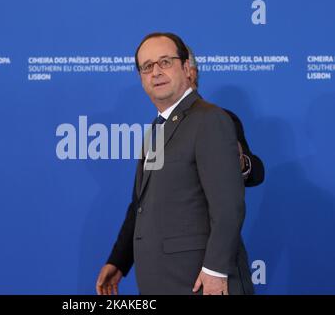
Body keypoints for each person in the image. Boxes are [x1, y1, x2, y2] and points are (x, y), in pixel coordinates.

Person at [96, 32, 254, 295]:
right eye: (147, 67)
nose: (156, 72)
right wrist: (119, 261)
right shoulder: (157, 130)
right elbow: (143, 205)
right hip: (163, 282)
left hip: (202, 283)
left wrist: (215, 271)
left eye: (165, 62)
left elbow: (228, 207)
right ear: (141, 78)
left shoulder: (210, 120)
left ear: (186, 68)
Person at [186, 46, 265, 187]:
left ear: (190, 73)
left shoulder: (219, 118)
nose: (157, 73)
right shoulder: (158, 126)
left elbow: (255, 173)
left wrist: (241, 164)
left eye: (166, 63)